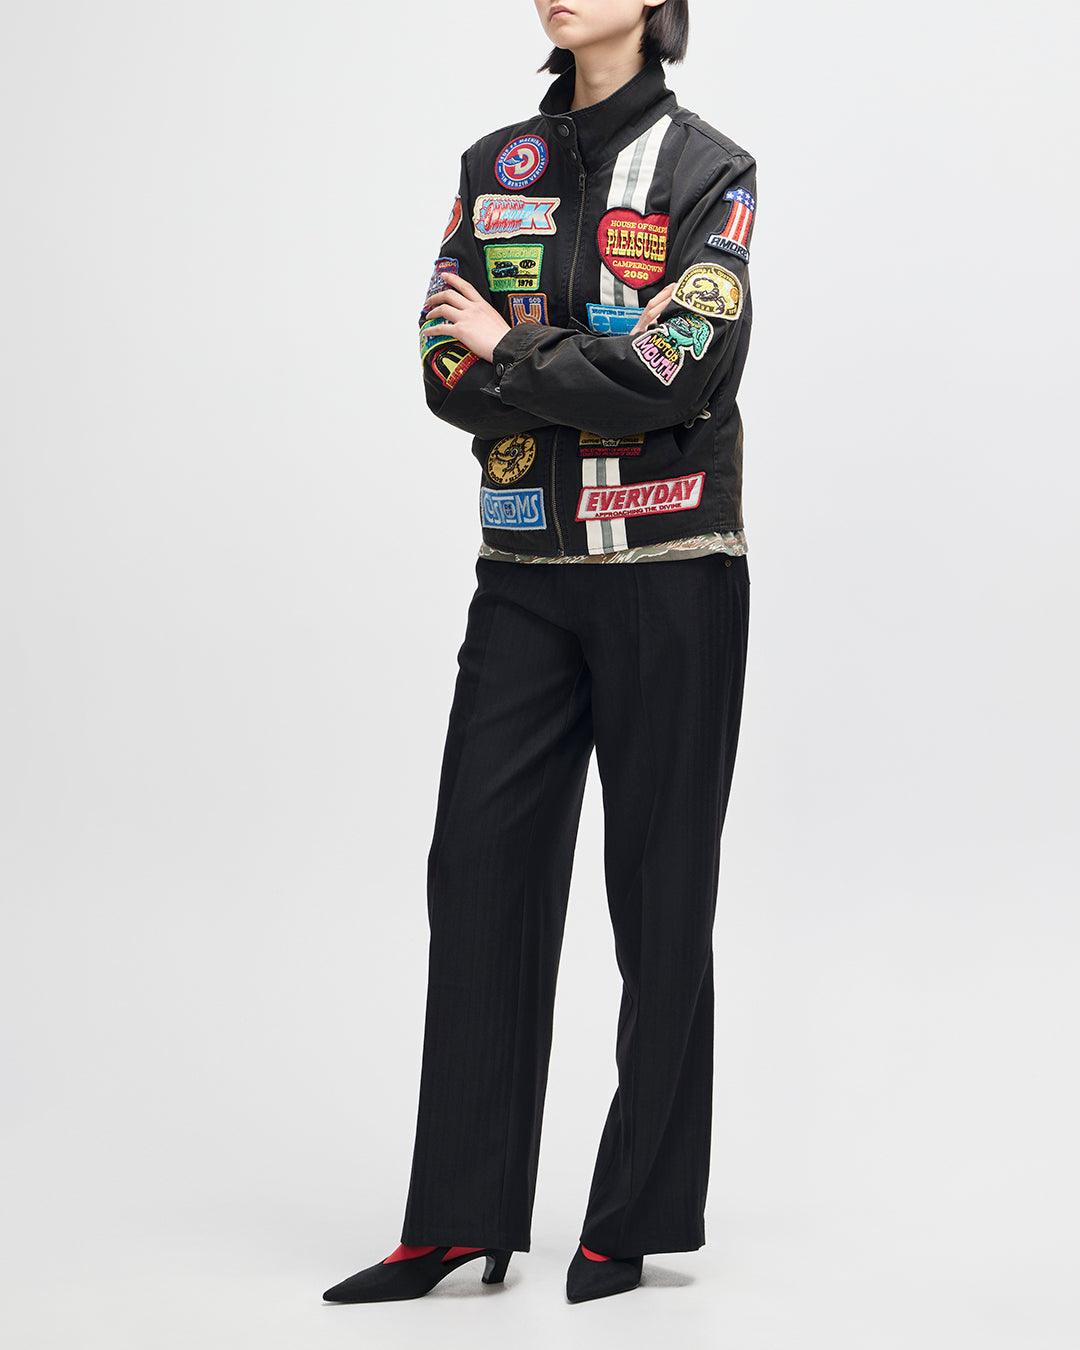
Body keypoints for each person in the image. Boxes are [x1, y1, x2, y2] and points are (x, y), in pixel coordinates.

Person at [322, 0, 755, 1305]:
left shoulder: (710, 170)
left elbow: (681, 371)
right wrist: (576, 372)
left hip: (673, 568)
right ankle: (460, 1215)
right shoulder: (494, 164)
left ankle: (633, 1218)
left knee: (659, 891)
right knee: (479, 869)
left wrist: (512, 344)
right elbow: (438, 372)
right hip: (521, 573)